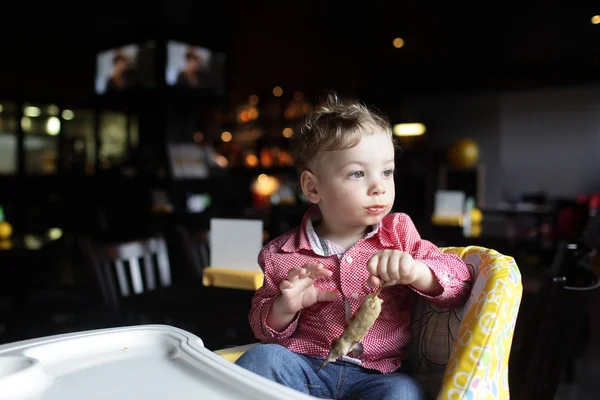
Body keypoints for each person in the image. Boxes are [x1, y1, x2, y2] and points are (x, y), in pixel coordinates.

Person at [235, 93, 472, 400]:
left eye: (387, 171)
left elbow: (460, 282)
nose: (379, 186)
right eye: (357, 173)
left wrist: (416, 271)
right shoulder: (281, 254)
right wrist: (284, 307)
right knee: (261, 359)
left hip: (377, 375)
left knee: (405, 391)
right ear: (313, 187)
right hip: (308, 370)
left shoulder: (399, 235)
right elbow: (261, 326)